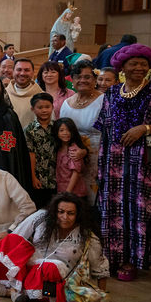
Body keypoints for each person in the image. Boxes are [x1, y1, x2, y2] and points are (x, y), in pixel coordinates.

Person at [0, 193, 109, 302]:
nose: (64, 217)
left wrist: (103, 298)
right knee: (11, 240)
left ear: (78, 215)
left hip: (56, 279)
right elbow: (18, 235)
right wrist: (7, 238)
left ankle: (11, 291)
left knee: (51, 267)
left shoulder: (87, 237)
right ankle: (13, 291)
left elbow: (100, 267)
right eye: (61, 212)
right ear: (54, 211)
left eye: (70, 213)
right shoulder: (41, 217)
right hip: (30, 268)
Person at [95, 44, 151, 280]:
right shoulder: (111, 92)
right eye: (134, 63)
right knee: (113, 207)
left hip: (144, 162)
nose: (139, 67)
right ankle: (113, 256)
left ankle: (133, 260)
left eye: (143, 64)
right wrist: (101, 163)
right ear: (123, 67)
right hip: (114, 160)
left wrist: (145, 128)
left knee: (137, 209)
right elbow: (104, 128)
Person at [60, 61, 103, 202]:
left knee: (93, 199)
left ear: (95, 80)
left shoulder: (104, 101)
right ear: (72, 80)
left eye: (87, 77)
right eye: (78, 77)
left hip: (97, 158)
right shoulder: (66, 103)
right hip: (72, 160)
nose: (82, 80)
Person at [23, 92, 57, 209]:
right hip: (38, 177)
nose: (44, 110)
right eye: (40, 107)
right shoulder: (29, 130)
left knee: (55, 207)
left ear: (53, 107)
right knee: (39, 207)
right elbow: (30, 154)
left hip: (56, 176)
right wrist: (33, 177)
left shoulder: (57, 127)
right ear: (33, 109)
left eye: (47, 107)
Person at [53, 118, 89, 197]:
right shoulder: (58, 148)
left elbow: (75, 173)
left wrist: (67, 193)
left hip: (74, 193)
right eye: (61, 130)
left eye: (69, 130)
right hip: (62, 191)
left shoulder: (74, 150)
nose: (65, 133)